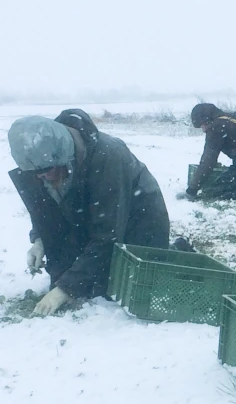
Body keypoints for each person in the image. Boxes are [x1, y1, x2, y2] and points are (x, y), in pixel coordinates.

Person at [8, 108, 170, 316]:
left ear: (62, 157)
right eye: (35, 173)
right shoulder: (47, 159)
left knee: (113, 289)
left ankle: (174, 254)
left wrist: (65, 289)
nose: (41, 177)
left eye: (45, 171)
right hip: (96, 215)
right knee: (72, 277)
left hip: (137, 221)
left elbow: (107, 234)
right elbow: (49, 209)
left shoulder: (108, 157)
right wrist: (39, 240)